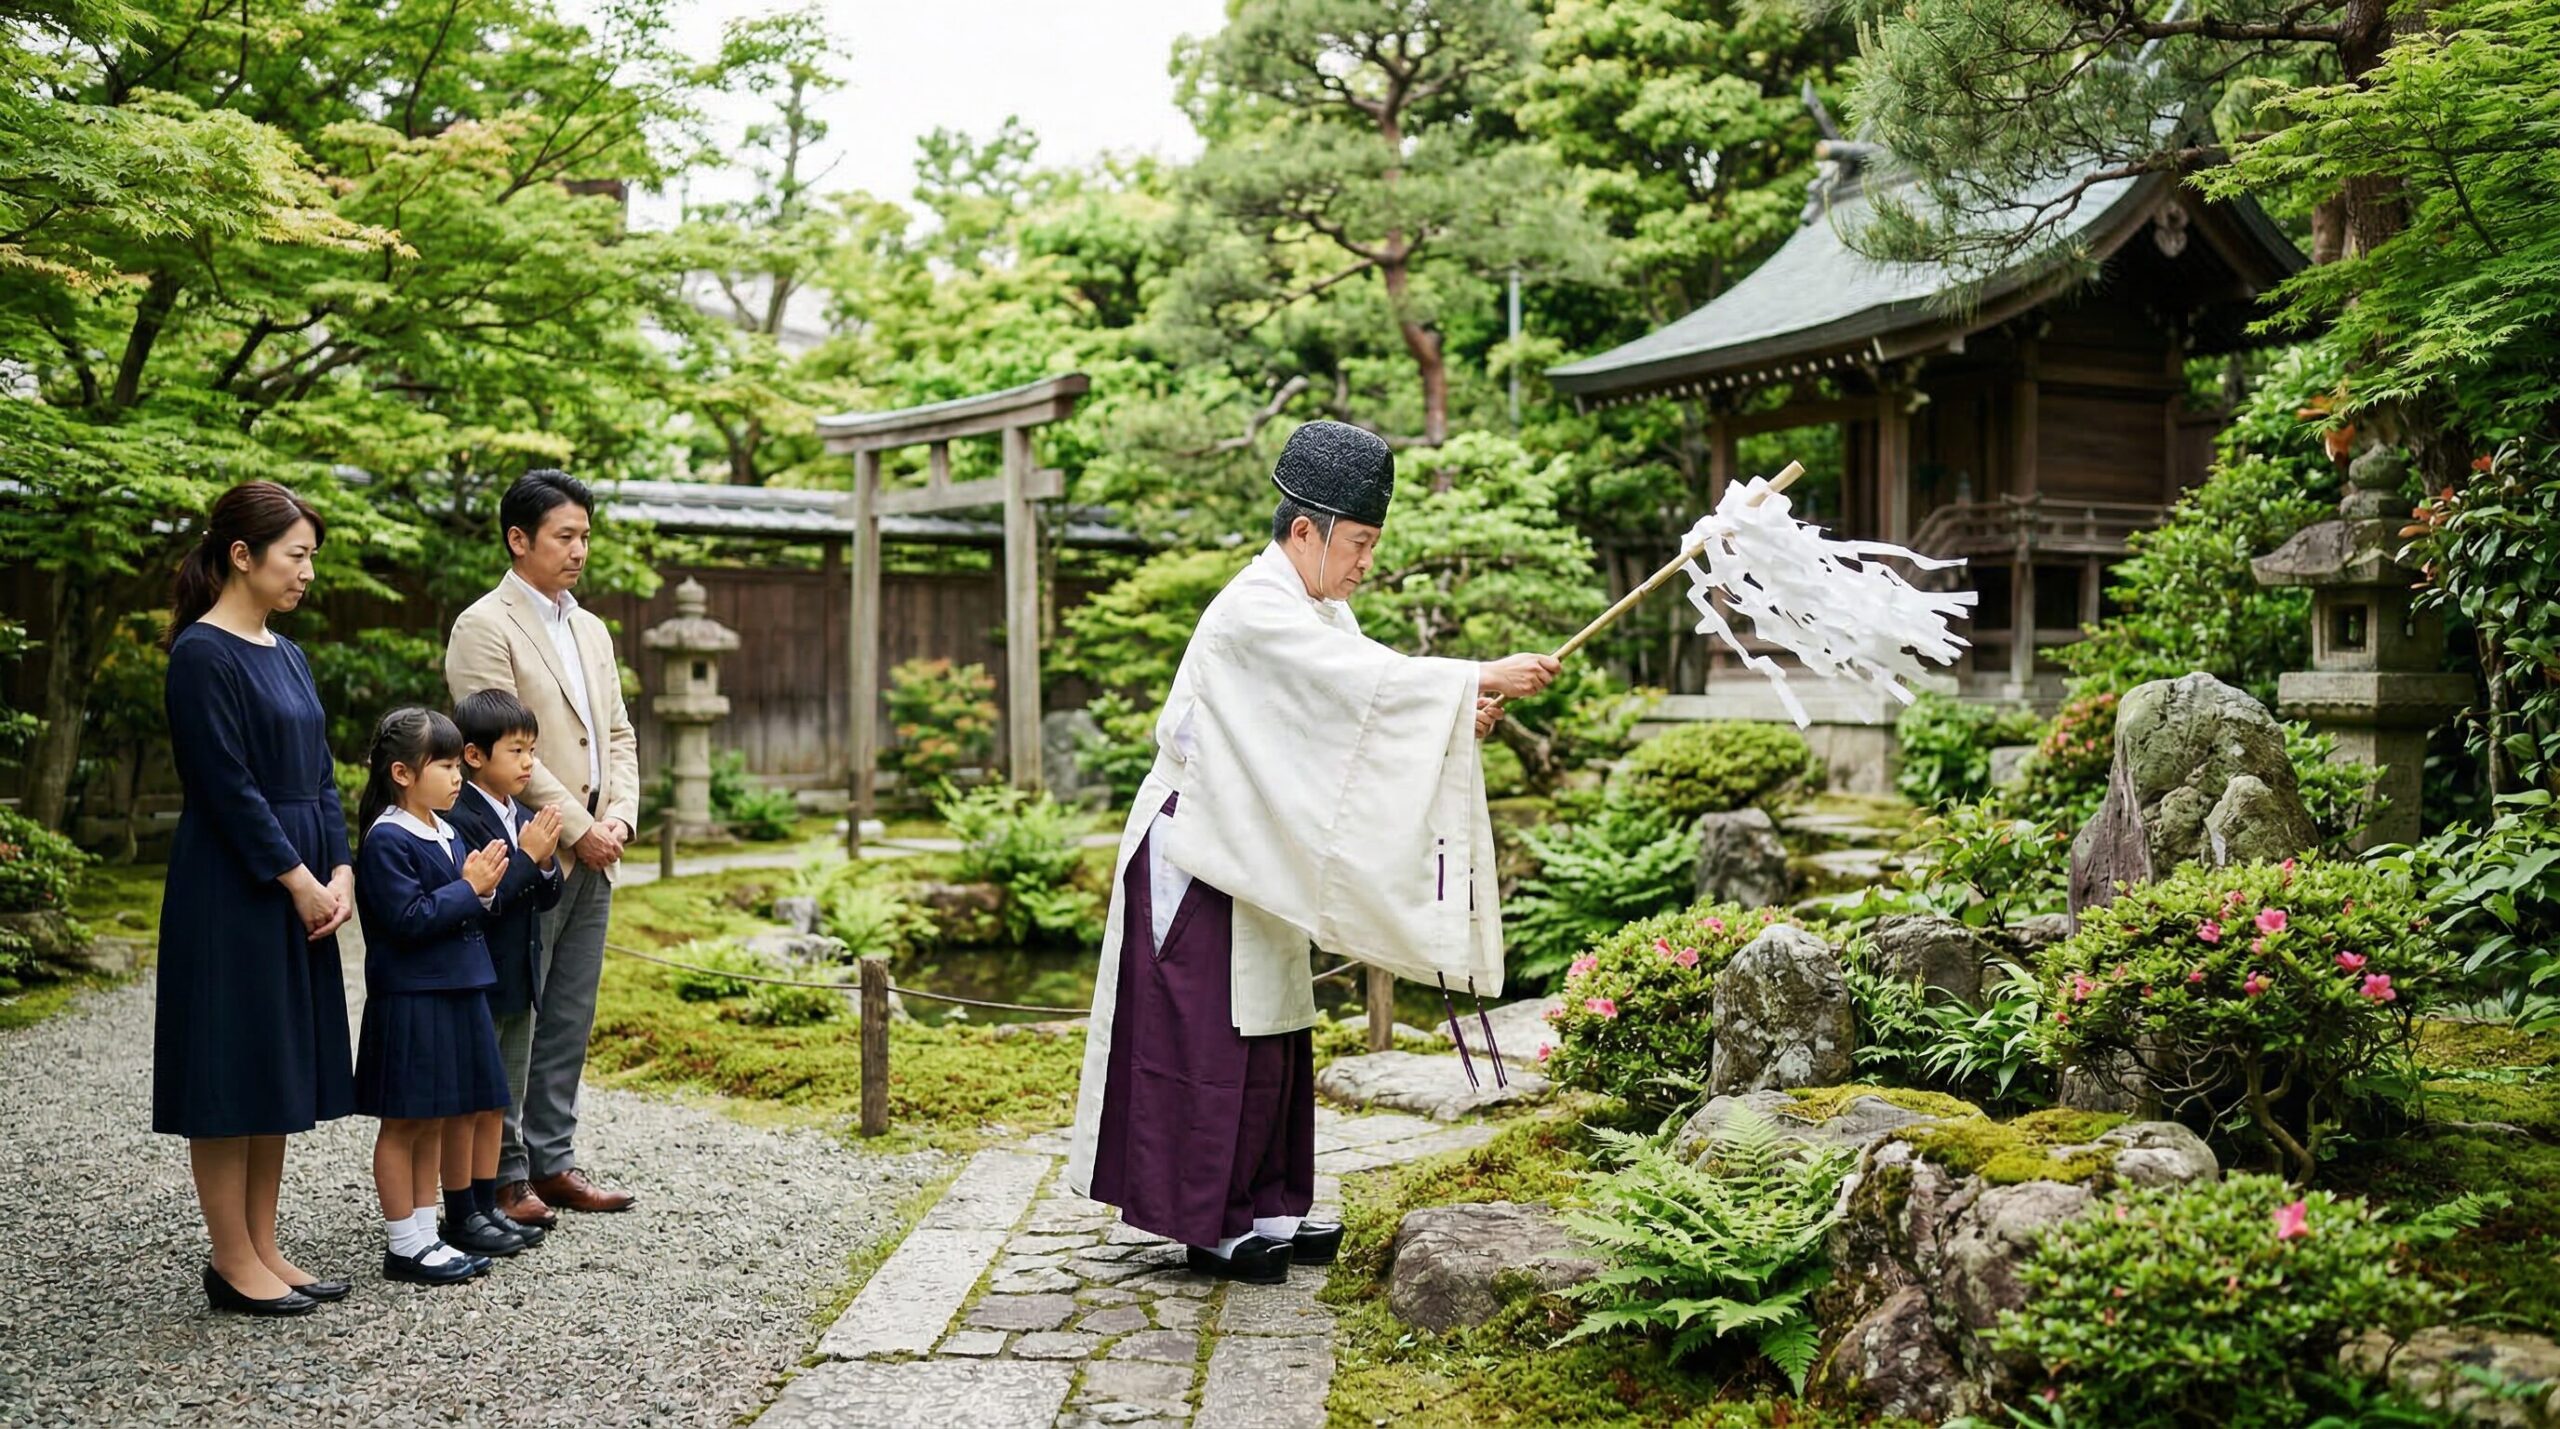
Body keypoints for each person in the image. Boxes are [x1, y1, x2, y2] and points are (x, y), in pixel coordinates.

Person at [1064, 421, 1559, 1283]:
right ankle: (1206, 1218)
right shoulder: (1255, 610)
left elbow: (1361, 711)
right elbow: (1366, 692)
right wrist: (1470, 676)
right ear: (1306, 531)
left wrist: (1453, 714)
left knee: (1274, 1023)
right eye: (1361, 542)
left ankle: (1269, 1201)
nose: (1366, 560)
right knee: (1208, 1032)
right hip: (1200, 838)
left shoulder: (1319, 610)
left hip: (1254, 838)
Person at [154, 480, 358, 1318]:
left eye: (311, 556)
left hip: (300, 879)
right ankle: (231, 1257)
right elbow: (227, 788)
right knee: (229, 1065)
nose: (307, 571)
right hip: (233, 886)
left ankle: (267, 1244)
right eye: (296, 554)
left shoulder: (288, 650)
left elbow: (320, 772)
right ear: (242, 555)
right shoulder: (202, 654)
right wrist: (300, 877)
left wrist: (340, 867)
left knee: (276, 1062)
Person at [443, 468, 642, 1224]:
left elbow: (617, 733)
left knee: (570, 1009)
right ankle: (501, 1169)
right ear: (518, 539)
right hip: (527, 847)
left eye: (586, 535)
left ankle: (555, 1159)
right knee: (515, 1010)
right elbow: (493, 747)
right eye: (566, 535)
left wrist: (617, 815)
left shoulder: (590, 627)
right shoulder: (484, 625)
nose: (580, 549)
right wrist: (579, 827)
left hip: (598, 843)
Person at [350, 707, 509, 1285]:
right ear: (401, 772)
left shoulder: (446, 829)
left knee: (436, 1117)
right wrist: (469, 889)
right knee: (404, 1123)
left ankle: (426, 1235)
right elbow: (407, 919)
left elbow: (462, 907)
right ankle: (403, 1243)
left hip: (455, 988)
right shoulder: (388, 837)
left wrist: (479, 892)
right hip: (412, 996)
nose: (455, 775)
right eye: (442, 764)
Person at [441, 688, 568, 1256]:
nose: (528, 764)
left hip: (519, 976)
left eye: (532, 752)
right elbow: (484, 900)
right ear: (474, 756)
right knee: (470, 1097)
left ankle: (489, 1199)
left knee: (501, 1095)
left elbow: (545, 895)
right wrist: (526, 857)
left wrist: (540, 859)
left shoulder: (521, 814)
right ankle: (462, 1207)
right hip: (479, 977)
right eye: (516, 751)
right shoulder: (459, 817)